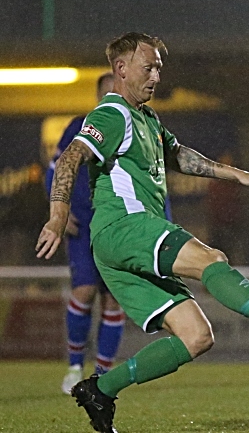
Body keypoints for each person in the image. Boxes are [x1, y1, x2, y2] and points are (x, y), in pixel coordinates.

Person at [35, 32, 249, 433]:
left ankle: (100, 390)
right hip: (124, 227)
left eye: (159, 67)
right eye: (149, 66)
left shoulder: (147, 119)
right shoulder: (113, 113)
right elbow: (72, 156)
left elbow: (181, 158)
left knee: (196, 336)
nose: (157, 75)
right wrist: (57, 217)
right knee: (212, 259)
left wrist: (240, 176)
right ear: (121, 70)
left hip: (121, 245)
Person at [45, 72, 128, 395]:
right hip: (83, 224)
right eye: (106, 95)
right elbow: (56, 169)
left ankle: (102, 375)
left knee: (114, 299)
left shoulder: (133, 127)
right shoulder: (80, 127)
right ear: (97, 99)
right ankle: (74, 367)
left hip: (119, 226)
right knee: (83, 291)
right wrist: (59, 213)